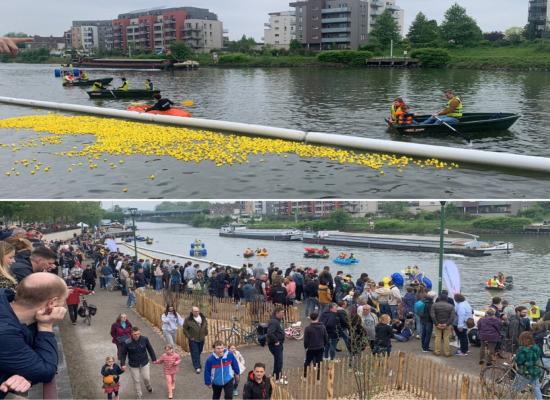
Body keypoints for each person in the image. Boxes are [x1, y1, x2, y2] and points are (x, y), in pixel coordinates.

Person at [0, 273, 68, 398]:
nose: (63, 307)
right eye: (63, 302)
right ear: (51, 303)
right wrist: (46, 326)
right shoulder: (5, 333)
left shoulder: (4, 298)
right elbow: (46, 371)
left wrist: (25, 373)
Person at [120, 326, 157, 399]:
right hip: (133, 364)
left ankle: (148, 386)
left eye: (138, 334)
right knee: (136, 380)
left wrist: (154, 359)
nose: (137, 335)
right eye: (135, 334)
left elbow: (150, 349)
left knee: (146, 378)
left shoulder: (145, 339)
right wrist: (123, 364)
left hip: (144, 362)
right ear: (131, 334)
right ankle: (139, 395)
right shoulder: (127, 342)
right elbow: (123, 354)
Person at [513, 332, 544, 400]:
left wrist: (515, 358)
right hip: (535, 371)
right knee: (536, 389)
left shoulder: (523, 350)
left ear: (525, 339)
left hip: (525, 373)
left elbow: (519, 361)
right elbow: (537, 358)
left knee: (514, 390)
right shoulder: (536, 347)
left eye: (521, 339)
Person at [182, 306, 208, 373]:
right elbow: (185, 329)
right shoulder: (188, 319)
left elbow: (205, 325)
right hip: (193, 339)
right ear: (192, 312)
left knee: (199, 351)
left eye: (197, 311)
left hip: (201, 338)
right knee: (195, 352)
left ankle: (196, 360)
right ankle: (197, 367)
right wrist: (189, 337)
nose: (196, 312)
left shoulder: (202, 317)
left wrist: (205, 332)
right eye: (195, 311)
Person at [430, 292, 456, 357]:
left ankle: (437, 351)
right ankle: (447, 352)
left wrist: (437, 323)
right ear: (447, 299)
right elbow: (452, 317)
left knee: (437, 337)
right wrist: (446, 324)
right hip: (447, 324)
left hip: (437, 323)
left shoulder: (434, 305)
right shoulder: (451, 306)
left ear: (439, 298)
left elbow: (432, 315)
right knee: (446, 338)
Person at [303, 311, 328, 379]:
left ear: (310, 318)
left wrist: (306, 347)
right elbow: (326, 337)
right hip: (320, 347)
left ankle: (305, 377)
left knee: (307, 362)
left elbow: (306, 340)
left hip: (311, 348)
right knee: (319, 363)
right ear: (318, 318)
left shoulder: (307, 328)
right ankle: (318, 378)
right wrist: (324, 345)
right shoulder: (322, 327)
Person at [267, 306, 286, 383]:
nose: (283, 314)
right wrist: (276, 341)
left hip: (277, 344)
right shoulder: (274, 321)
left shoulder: (277, 320)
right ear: (277, 313)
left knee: (277, 360)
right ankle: (277, 378)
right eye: (282, 313)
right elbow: (270, 333)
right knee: (279, 361)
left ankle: (276, 375)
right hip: (275, 345)